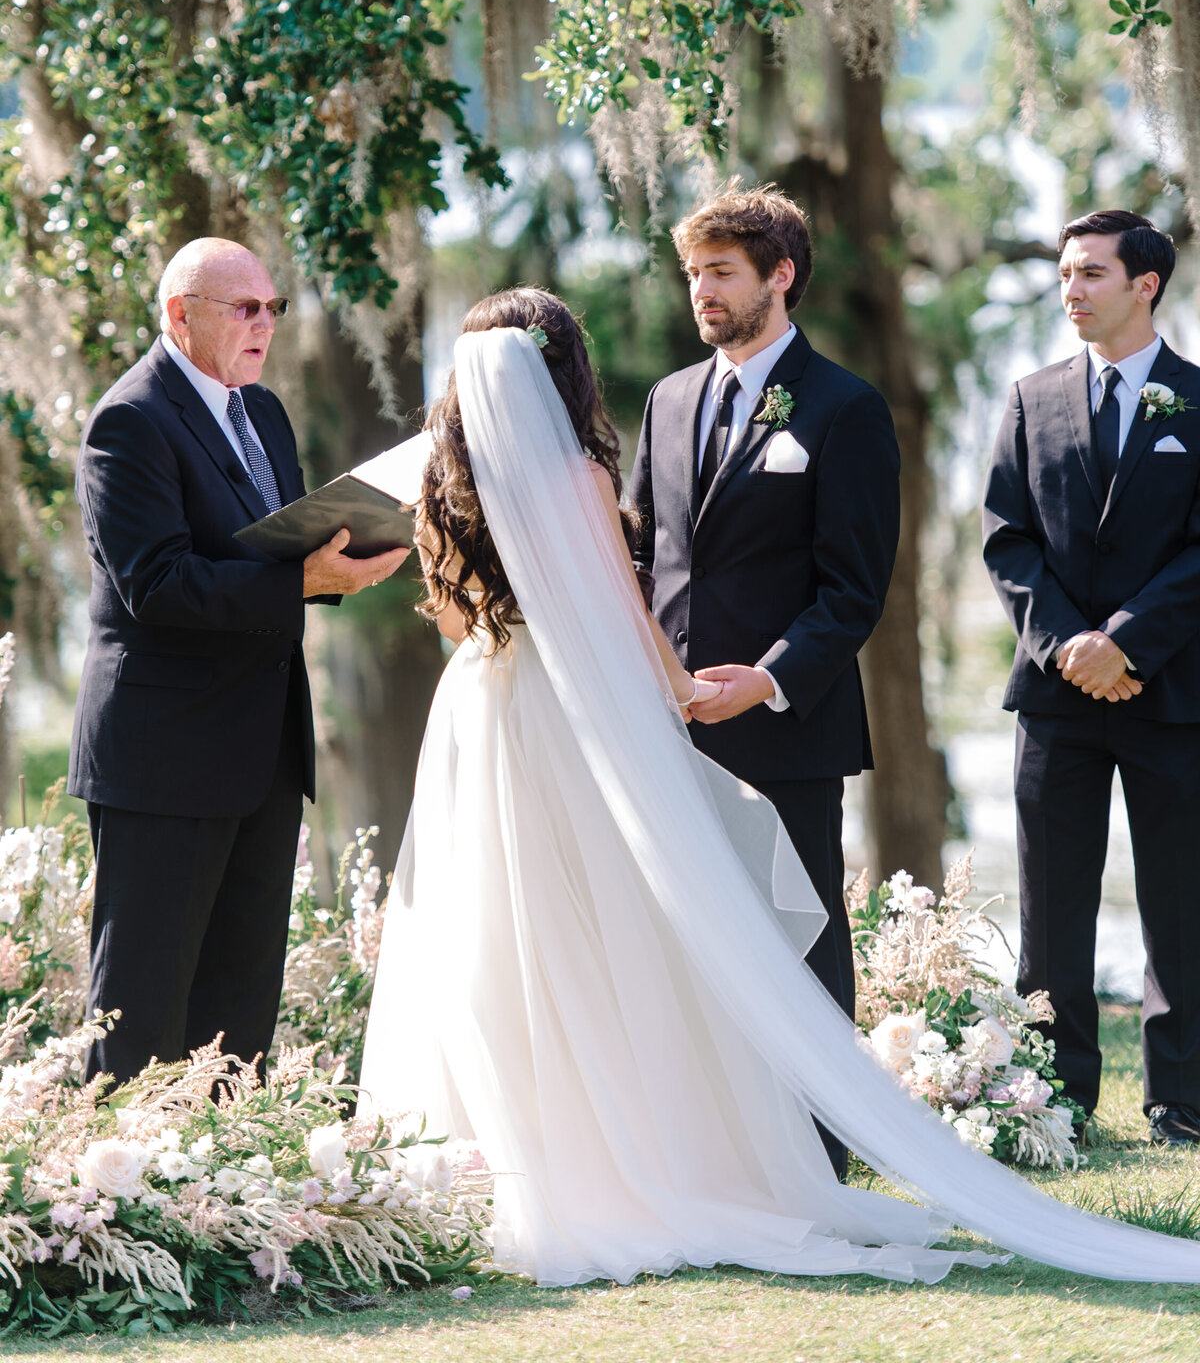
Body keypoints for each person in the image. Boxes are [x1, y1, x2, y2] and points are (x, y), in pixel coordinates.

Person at [360, 285, 1200, 1287]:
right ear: (565, 367)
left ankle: (512, 1161)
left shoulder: (447, 478)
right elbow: (623, 608)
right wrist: (677, 687)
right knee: (609, 926)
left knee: (502, 928)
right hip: (567, 708)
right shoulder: (577, 470)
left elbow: (459, 621)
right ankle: (638, 1158)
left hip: (478, 708)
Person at [69, 237, 408, 1086]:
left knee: (240, 1013)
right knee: (142, 1009)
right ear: (181, 315)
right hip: (164, 755)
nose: (265, 326)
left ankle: (225, 1197)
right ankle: (122, 1201)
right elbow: (162, 585)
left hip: (261, 750)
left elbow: (266, 554)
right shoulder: (131, 420)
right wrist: (306, 578)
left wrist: (338, 558)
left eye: (272, 308)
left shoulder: (262, 413)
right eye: (243, 309)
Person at [628, 182, 900, 1172]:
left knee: (802, 931)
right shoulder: (667, 400)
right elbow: (644, 554)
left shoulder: (846, 409)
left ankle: (824, 1151)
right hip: (664, 723)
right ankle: (716, 1142)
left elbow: (854, 589)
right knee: (683, 938)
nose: (701, 290)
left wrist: (770, 679)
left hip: (787, 724)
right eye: (694, 272)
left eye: (722, 272)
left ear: (780, 276)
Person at [983, 209, 1200, 1148]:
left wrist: (1127, 642)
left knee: (1183, 902)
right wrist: (1071, 644)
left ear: (1145, 284)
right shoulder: (1032, 399)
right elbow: (1007, 537)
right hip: (1055, 695)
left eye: (1091, 275)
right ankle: (1056, 1100)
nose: (1070, 289)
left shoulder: (1197, 401)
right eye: (1065, 273)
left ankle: (1181, 1101)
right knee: (1052, 905)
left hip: (1173, 693)